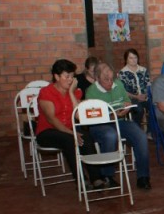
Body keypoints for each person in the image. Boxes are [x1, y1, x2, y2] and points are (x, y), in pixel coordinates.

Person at [35, 59, 105, 190]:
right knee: (69, 140)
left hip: (68, 130)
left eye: (72, 76)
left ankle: (97, 178)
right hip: (47, 132)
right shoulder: (46, 92)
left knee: (87, 137)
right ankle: (81, 180)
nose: (70, 80)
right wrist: (71, 133)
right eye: (67, 76)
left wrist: (72, 93)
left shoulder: (75, 92)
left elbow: (79, 116)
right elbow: (51, 119)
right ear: (56, 76)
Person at [86, 62, 152, 190]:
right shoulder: (91, 92)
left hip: (120, 120)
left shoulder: (118, 84)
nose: (110, 82)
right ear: (97, 78)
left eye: (112, 79)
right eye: (106, 80)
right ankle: (108, 176)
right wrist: (110, 116)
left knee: (141, 136)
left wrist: (126, 108)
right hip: (100, 124)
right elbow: (93, 117)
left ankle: (143, 176)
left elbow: (126, 101)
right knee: (110, 135)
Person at [117, 48, 150, 128]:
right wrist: (136, 96)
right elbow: (123, 91)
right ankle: (137, 129)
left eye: (135, 57)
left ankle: (150, 132)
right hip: (131, 98)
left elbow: (148, 84)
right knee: (139, 109)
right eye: (131, 58)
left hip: (145, 97)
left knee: (155, 107)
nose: (134, 60)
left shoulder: (143, 70)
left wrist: (145, 94)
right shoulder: (123, 73)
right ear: (126, 59)